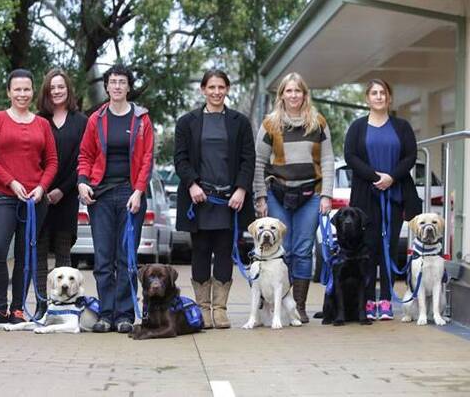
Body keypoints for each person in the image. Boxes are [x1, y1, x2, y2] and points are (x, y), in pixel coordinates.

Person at [0, 69, 58, 328]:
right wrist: (11, 180)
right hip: (6, 195)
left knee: (25, 255)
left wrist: (42, 187)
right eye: (17, 89)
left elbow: (52, 161)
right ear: (9, 92)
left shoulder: (43, 124)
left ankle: (18, 310)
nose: (22, 94)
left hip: (35, 201)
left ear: (33, 92)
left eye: (26, 89)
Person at [174, 69, 255, 329]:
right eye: (212, 87)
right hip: (198, 200)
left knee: (223, 252)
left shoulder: (239, 122)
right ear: (203, 90)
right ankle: (202, 310)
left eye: (221, 87)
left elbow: (248, 159)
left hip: (229, 201)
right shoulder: (187, 122)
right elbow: (180, 159)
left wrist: (241, 189)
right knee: (200, 251)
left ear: (227, 89)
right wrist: (192, 184)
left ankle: (220, 310)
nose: (217, 92)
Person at [77, 64, 154, 333]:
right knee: (103, 258)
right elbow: (85, 155)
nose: (118, 86)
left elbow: (147, 158)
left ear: (128, 87)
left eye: (122, 82)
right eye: (113, 82)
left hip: (130, 194)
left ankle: (124, 314)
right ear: (107, 86)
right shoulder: (96, 120)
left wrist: (138, 190)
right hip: (101, 195)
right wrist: (82, 182)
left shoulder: (141, 119)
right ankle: (106, 314)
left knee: (126, 258)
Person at [253, 72, 334, 323]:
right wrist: (260, 196)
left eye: (298, 91)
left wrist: (327, 195)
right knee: (282, 251)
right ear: (281, 95)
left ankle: (298, 306)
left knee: (302, 250)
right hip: (277, 193)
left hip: (310, 194)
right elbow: (259, 161)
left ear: (304, 94)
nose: (293, 95)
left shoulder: (318, 122)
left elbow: (328, 160)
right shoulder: (270, 124)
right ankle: (277, 306)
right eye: (288, 91)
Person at [344, 78, 421, 321]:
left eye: (383, 93)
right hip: (366, 197)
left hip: (395, 194)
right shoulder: (357, 127)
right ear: (367, 98)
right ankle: (368, 300)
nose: (378, 97)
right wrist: (375, 176)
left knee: (388, 248)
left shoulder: (402, 126)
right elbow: (351, 156)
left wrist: (391, 178)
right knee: (368, 248)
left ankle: (386, 300)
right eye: (374, 93)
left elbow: (410, 156)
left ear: (389, 98)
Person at [32, 69, 87, 320]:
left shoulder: (81, 121)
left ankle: (66, 307)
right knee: (39, 252)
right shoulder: (37, 120)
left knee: (64, 253)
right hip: (40, 195)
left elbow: (83, 160)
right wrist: (44, 189)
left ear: (68, 90)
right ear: (46, 91)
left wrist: (62, 190)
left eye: (61, 87)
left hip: (67, 196)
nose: (56, 91)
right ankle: (42, 304)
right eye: (52, 87)